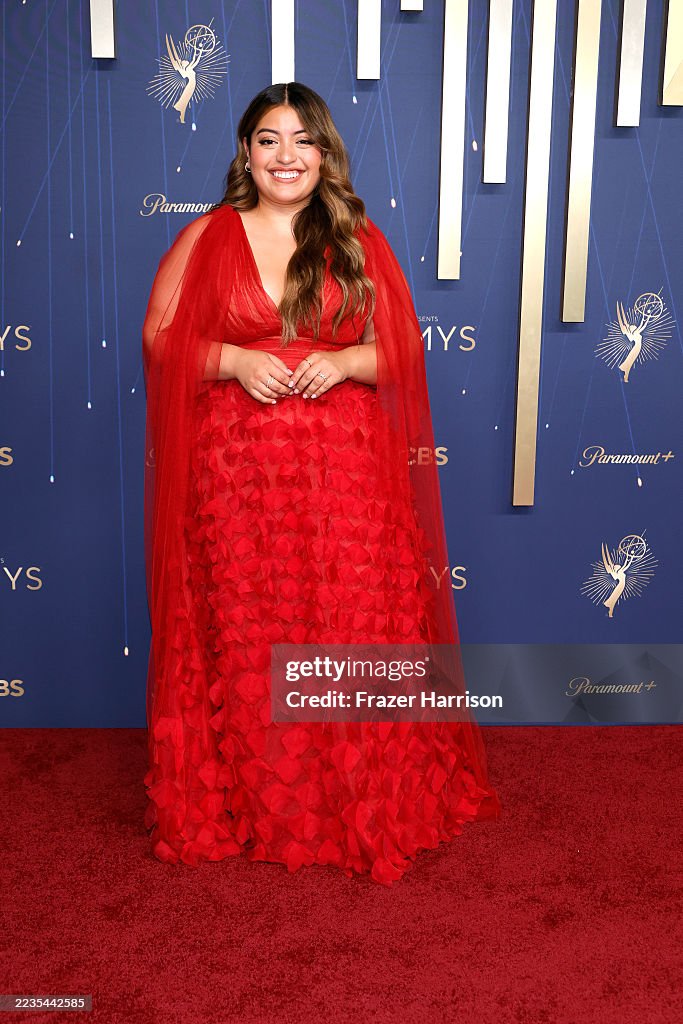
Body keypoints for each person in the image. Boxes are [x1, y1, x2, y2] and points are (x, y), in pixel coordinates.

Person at [142, 82, 501, 886]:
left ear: (324, 153)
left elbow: (401, 354)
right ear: (244, 153)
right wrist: (232, 359)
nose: (285, 157)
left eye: (302, 141)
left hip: (347, 482)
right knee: (251, 633)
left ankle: (367, 797)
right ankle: (269, 803)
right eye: (268, 140)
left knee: (353, 624)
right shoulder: (206, 236)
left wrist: (341, 361)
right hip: (239, 482)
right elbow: (162, 343)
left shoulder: (355, 237)